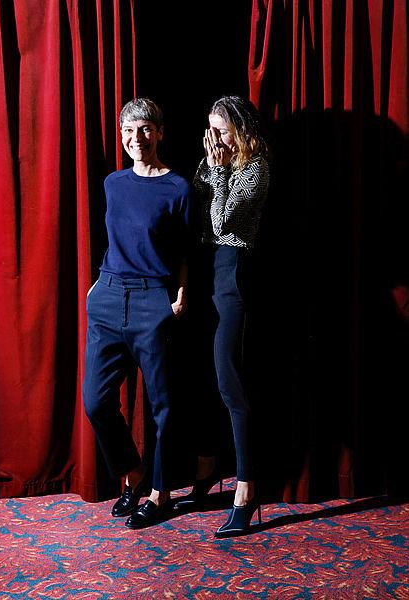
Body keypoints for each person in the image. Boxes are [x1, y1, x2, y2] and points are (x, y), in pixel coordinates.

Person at [83, 98, 190, 529]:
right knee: (96, 401)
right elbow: (116, 237)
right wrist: (97, 286)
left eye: (144, 129)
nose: (136, 139)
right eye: (128, 131)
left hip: (152, 299)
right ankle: (133, 473)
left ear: (160, 132)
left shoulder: (177, 188)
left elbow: (184, 250)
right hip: (108, 296)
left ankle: (160, 493)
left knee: (164, 405)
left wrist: (180, 295)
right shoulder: (113, 183)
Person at [176, 96, 269, 537]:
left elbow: (223, 221)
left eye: (221, 129)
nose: (213, 138)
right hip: (203, 273)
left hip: (233, 273)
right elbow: (194, 216)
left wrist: (217, 171)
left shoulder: (256, 167)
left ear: (240, 129)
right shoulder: (208, 162)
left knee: (229, 381)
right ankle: (207, 466)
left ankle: (247, 489)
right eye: (210, 129)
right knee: (197, 377)